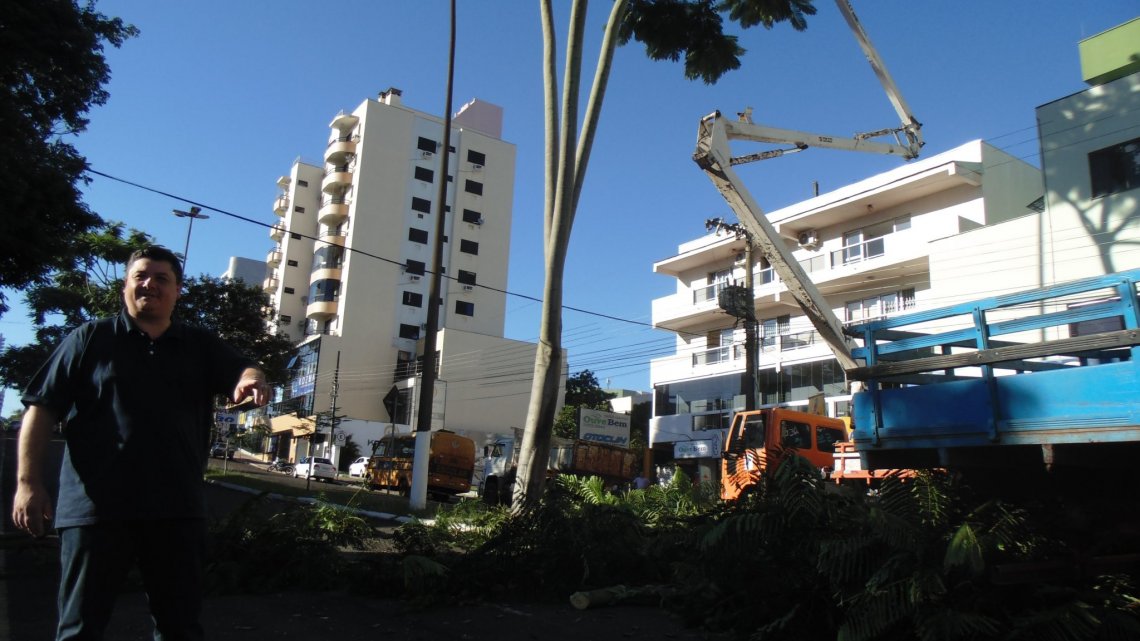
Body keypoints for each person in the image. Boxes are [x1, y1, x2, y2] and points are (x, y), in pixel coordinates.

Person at [10, 245, 270, 641]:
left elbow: (244, 367)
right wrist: (29, 484)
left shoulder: (199, 345)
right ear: (125, 287)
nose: (150, 284)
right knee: (80, 628)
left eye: (161, 278)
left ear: (178, 291)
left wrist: (251, 378)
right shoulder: (89, 339)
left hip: (175, 511)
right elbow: (41, 410)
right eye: (141, 277)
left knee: (179, 628)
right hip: (95, 511)